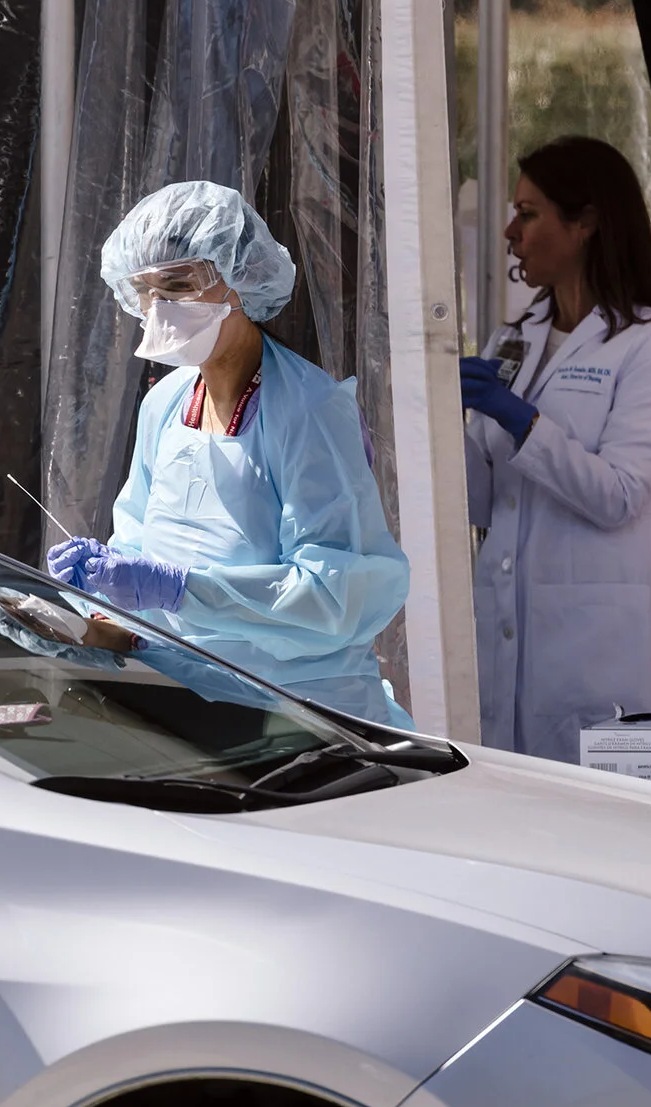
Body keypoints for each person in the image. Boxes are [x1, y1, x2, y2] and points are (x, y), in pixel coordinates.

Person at [46, 180, 414, 729]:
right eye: (147, 291)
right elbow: (140, 542)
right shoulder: (166, 404)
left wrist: (178, 589)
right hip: (184, 704)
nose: (161, 307)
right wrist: (103, 606)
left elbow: (334, 597)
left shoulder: (308, 412)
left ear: (240, 280)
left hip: (299, 718)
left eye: (179, 284)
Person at [459, 136, 651, 760]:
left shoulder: (650, 346)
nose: (511, 230)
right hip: (506, 640)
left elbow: (619, 497)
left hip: (598, 654)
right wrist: (415, 435)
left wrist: (520, 420)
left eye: (529, 213)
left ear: (587, 222)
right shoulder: (513, 340)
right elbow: (483, 504)